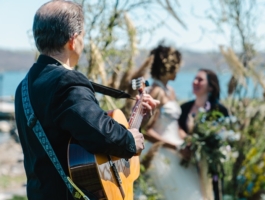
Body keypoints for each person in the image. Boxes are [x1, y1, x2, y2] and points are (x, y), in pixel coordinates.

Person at [14, 1, 159, 199]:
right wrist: (130, 140)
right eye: (83, 36)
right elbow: (100, 133)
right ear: (73, 40)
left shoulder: (23, 87)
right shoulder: (67, 81)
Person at [142, 44, 203, 200]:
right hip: (162, 153)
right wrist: (175, 147)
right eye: (176, 66)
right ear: (169, 67)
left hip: (177, 149)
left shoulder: (171, 91)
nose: (178, 70)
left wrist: (189, 140)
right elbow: (146, 131)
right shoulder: (156, 91)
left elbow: (174, 125)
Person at [178, 69, 229, 200]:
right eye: (194, 79)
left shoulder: (220, 111)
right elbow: (177, 131)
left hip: (209, 169)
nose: (195, 82)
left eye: (200, 80)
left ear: (211, 86)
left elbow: (224, 138)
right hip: (187, 166)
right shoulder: (184, 108)